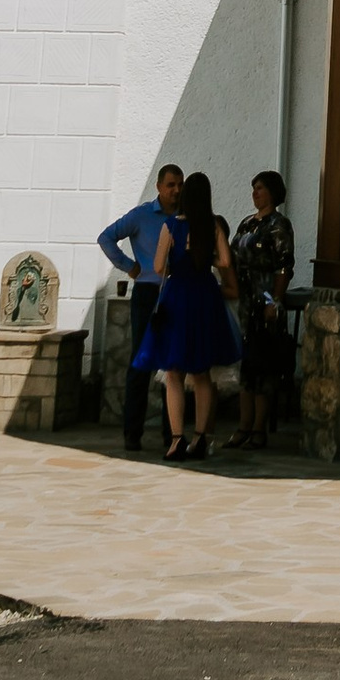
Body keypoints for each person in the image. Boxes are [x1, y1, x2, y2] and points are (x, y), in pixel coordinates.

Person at [132, 170, 239, 462]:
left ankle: (176, 439)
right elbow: (226, 261)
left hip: (177, 296)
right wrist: (206, 259)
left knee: (174, 371)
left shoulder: (171, 226)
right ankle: (201, 437)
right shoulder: (214, 225)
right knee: (202, 372)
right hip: (205, 296)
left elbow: (157, 266)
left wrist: (177, 266)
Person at [100, 164, 187, 453]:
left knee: (173, 364)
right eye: (171, 185)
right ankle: (132, 433)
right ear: (160, 187)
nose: (176, 190)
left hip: (176, 292)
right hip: (148, 291)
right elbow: (106, 237)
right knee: (141, 360)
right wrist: (129, 267)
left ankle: (171, 433)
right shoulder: (141, 216)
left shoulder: (185, 217)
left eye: (180, 185)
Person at [225, 171, 296, 453]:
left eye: (261, 188)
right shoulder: (246, 225)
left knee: (264, 366)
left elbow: (284, 265)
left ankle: (259, 428)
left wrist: (274, 301)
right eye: (253, 188)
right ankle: (243, 425)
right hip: (244, 302)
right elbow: (229, 257)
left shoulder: (279, 225)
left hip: (264, 300)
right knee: (246, 367)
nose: (255, 193)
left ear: (273, 192)